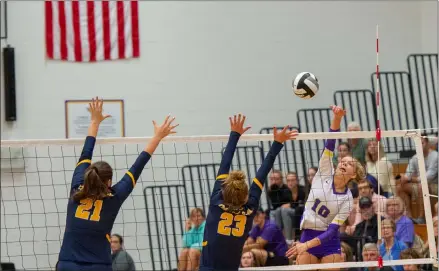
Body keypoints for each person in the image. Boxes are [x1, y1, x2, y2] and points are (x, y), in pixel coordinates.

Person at [57, 98, 178, 271]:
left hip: (67, 264)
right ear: (109, 182)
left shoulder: (76, 187)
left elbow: (86, 152)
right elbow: (138, 165)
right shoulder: (114, 197)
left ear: (88, 175)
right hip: (98, 266)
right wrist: (158, 136)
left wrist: (94, 121)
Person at [199, 114, 298, 271]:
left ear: (225, 191)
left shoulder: (217, 202)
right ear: (245, 196)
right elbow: (262, 174)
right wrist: (278, 143)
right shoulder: (249, 208)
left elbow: (225, 163)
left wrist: (235, 134)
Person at [286, 105, 366, 267]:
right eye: (342, 161)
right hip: (307, 234)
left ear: (353, 175)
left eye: (349, 164)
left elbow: (331, 231)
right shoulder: (324, 171)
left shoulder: (348, 199)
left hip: (329, 242)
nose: (344, 163)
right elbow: (330, 143)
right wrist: (337, 118)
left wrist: (305, 246)